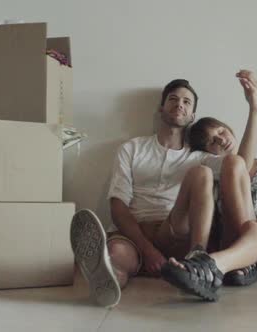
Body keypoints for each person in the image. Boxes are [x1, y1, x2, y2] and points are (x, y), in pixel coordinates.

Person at [69, 78, 236, 307]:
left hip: (175, 232)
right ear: (161, 108)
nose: (180, 104)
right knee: (118, 253)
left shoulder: (200, 157)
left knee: (202, 174)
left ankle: (198, 262)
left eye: (187, 102)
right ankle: (109, 279)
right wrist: (148, 251)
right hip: (136, 235)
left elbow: (239, 167)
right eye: (173, 99)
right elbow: (118, 205)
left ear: (192, 116)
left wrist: (252, 108)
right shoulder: (132, 148)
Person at [160, 70, 257, 301]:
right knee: (248, 226)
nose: (221, 139)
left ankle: (206, 269)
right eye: (213, 141)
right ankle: (228, 265)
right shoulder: (214, 175)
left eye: (220, 131)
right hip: (241, 255)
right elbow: (236, 165)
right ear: (208, 153)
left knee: (254, 229)